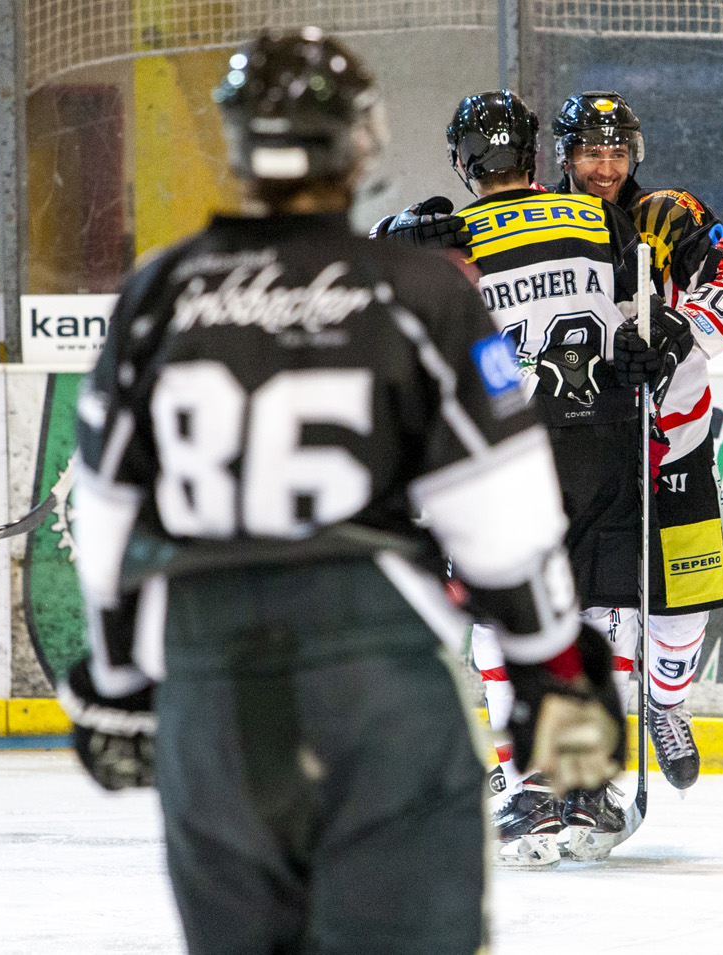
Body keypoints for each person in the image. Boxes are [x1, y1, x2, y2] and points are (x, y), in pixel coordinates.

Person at [58, 32, 624, 954]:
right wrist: (554, 676)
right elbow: (504, 520)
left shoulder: (158, 292)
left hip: (212, 681)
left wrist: (117, 686)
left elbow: (107, 515)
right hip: (377, 674)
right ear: (360, 143)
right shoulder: (419, 292)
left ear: (239, 143)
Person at [377, 89, 683, 864]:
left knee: (506, 610)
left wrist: (395, 235)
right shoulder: (597, 217)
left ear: (464, 161)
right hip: (605, 436)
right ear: (535, 154)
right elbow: (644, 315)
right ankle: (589, 786)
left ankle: (529, 788)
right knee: (604, 607)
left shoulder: (455, 236)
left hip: (511, 447)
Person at [550, 91, 723, 791]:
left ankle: (666, 703)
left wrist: (681, 328)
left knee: (686, 596)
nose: (605, 166)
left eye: (616, 151)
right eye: (591, 151)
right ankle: (588, 740)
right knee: (592, 601)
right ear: (565, 155)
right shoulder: (542, 223)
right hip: (587, 443)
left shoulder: (670, 214)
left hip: (675, 438)